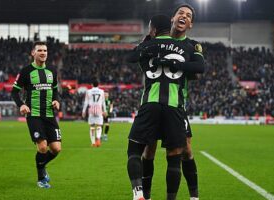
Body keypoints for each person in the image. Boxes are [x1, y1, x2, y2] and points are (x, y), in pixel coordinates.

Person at [126, 14, 204, 200]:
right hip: (174, 106)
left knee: (136, 149)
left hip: (150, 104)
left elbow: (131, 57)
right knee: (175, 155)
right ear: (169, 25)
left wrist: (144, 43)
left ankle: (139, 194)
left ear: (152, 29)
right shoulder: (186, 46)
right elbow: (198, 68)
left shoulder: (147, 45)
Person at [11, 41, 61, 189]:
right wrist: (22, 105)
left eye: (45, 50)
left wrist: (56, 101)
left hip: (49, 114)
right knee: (43, 147)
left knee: (57, 149)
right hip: (34, 115)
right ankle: (41, 178)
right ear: (33, 53)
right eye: (39, 50)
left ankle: (41, 165)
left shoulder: (52, 71)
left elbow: (56, 90)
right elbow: (14, 92)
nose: (43, 53)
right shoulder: (26, 71)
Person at [82, 80, 107, 147]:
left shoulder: (88, 91)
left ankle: (93, 142)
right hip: (99, 109)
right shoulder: (101, 91)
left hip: (91, 109)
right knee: (99, 125)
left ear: (92, 84)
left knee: (92, 126)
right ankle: (98, 138)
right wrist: (105, 111)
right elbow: (103, 102)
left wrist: (83, 111)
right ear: (98, 84)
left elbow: (86, 102)